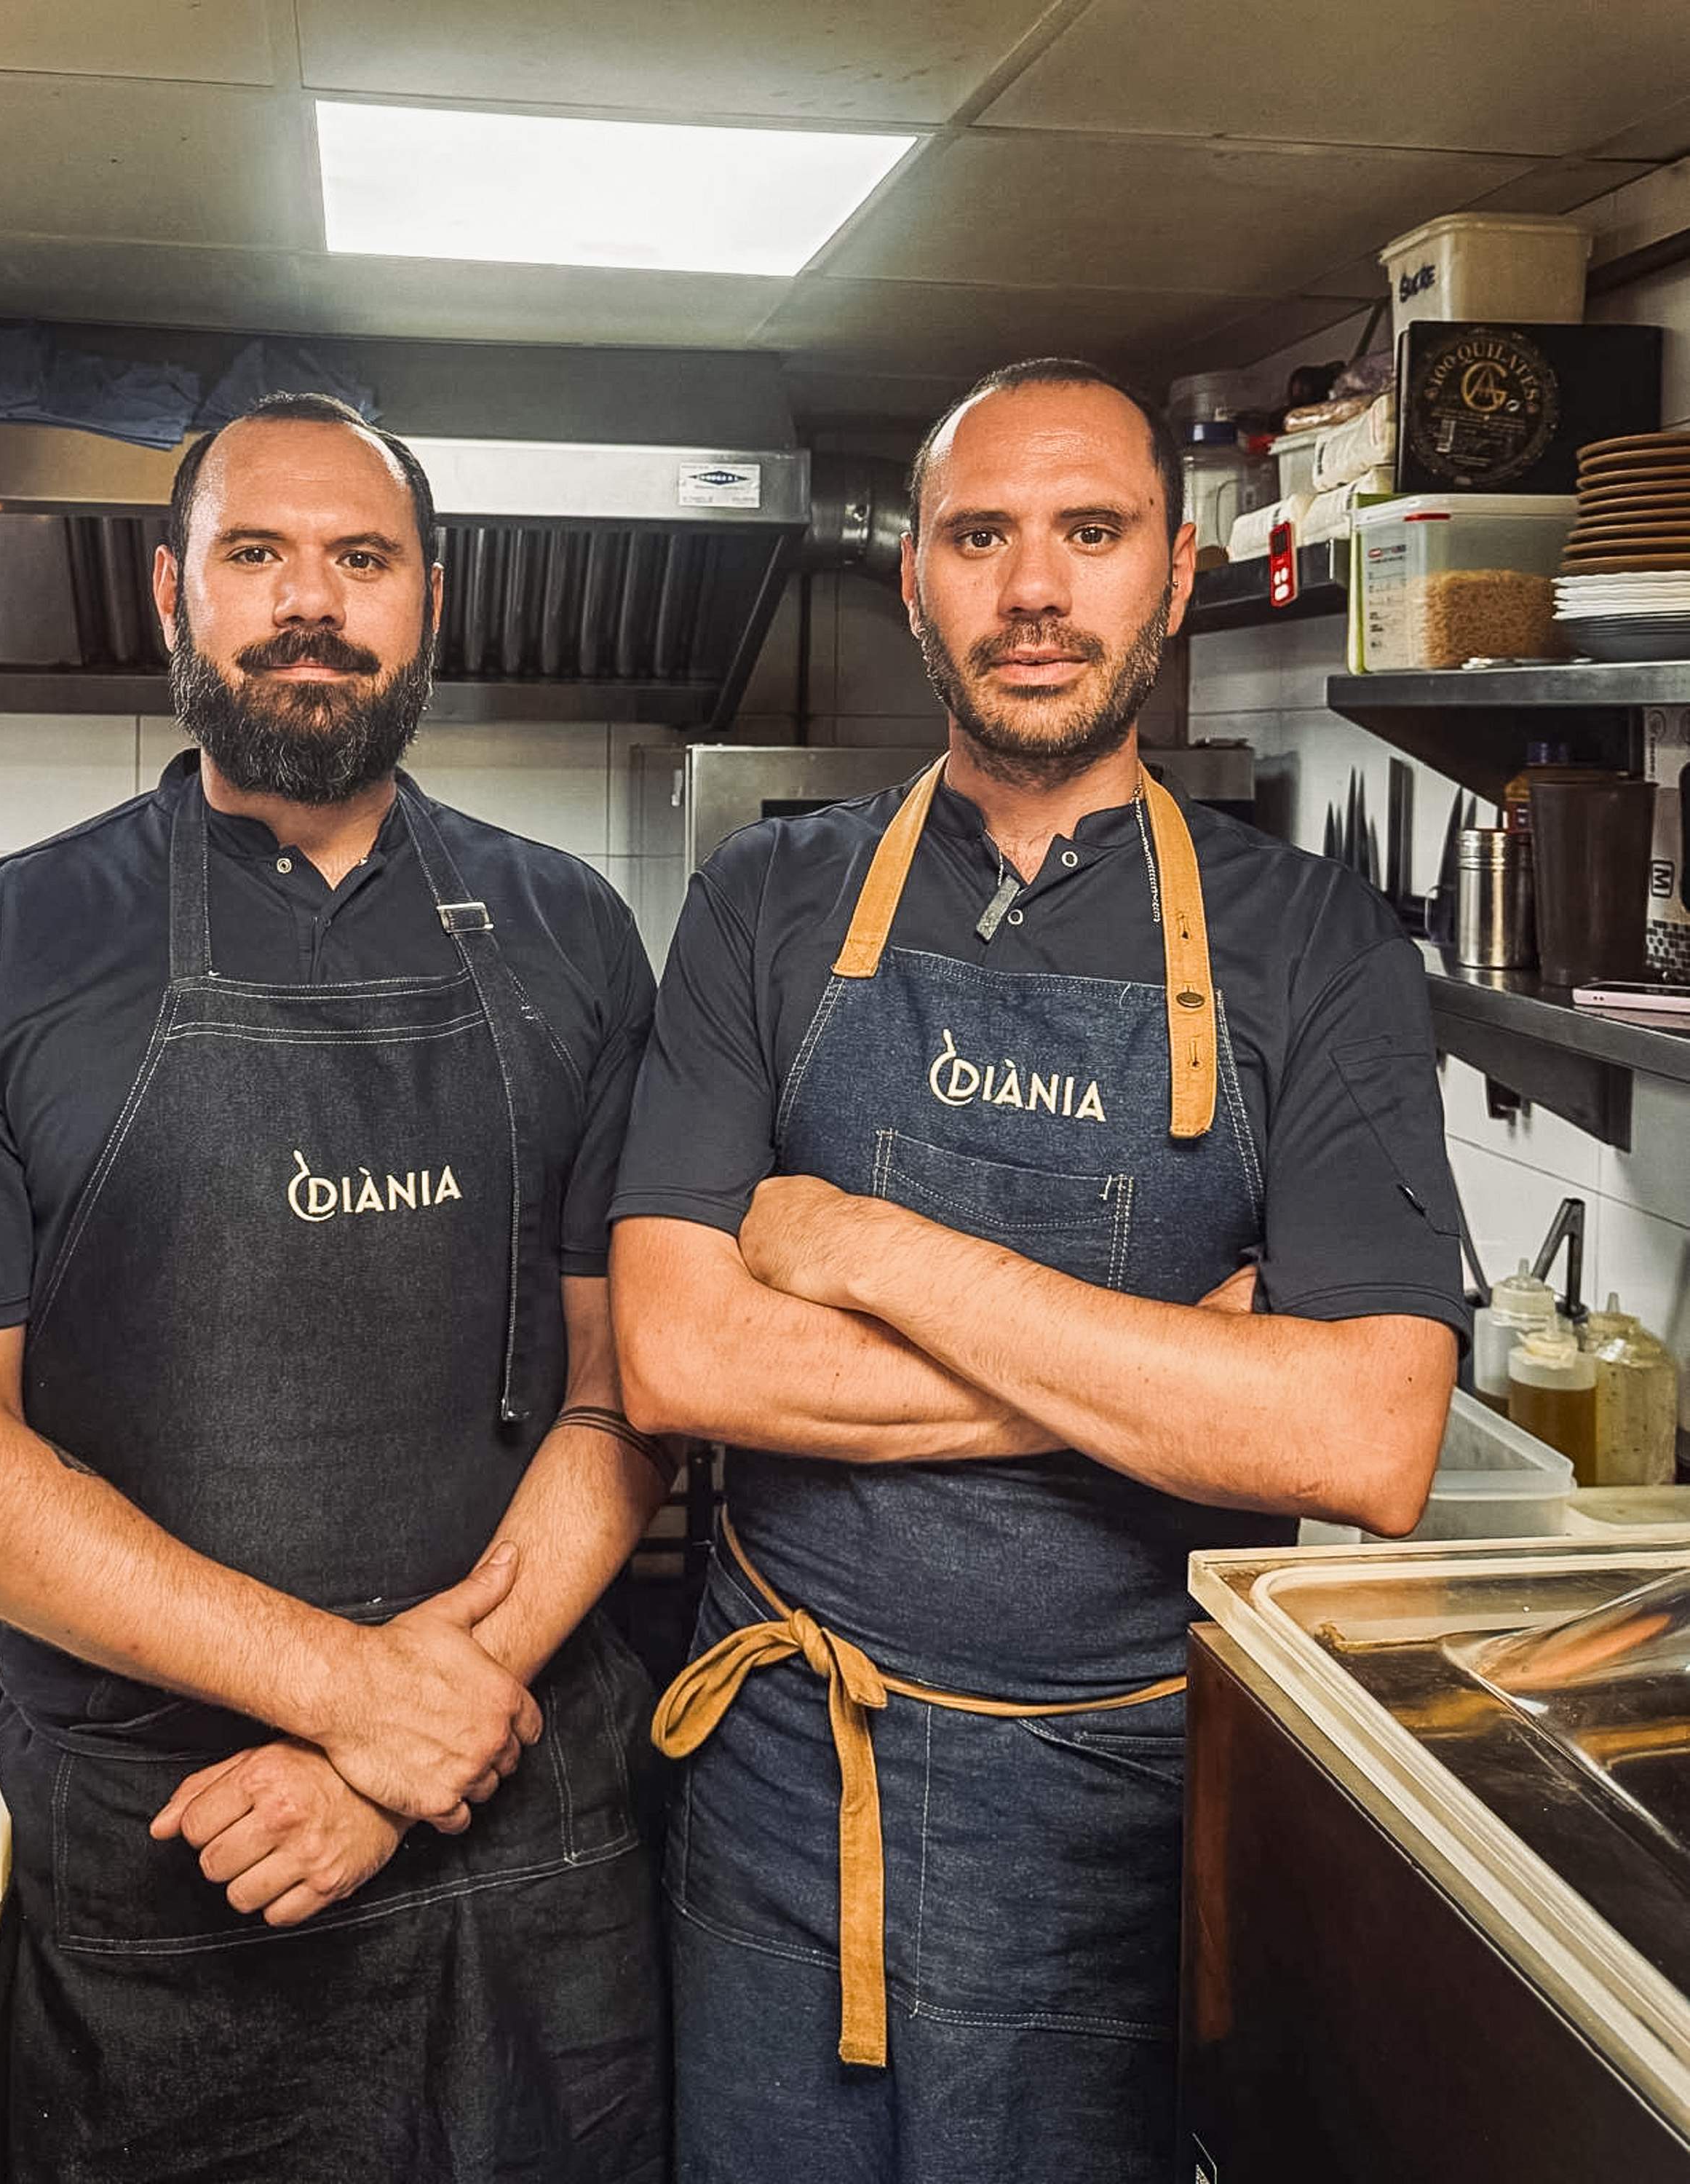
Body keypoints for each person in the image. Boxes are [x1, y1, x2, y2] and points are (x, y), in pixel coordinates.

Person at [608, 358, 1465, 2184]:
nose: (1031, 589)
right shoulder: (767, 904)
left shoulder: (1311, 946)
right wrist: (1176, 1387)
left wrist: (859, 1248)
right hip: (778, 1772)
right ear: (910, 576)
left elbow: (1365, 1440)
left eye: (1090, 533)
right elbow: (676, 1359)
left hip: (1130, 1811)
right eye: (977, 535)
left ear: (1170, 576)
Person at [0, 391, 670, 2183]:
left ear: (427, 604)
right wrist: (349, 1692)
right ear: (172, 593)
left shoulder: (570, 934)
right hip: (172, 1844)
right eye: (257, 554)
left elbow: (624, 1399)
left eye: (360, 558)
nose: (311, 600)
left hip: (523, 1829)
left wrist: (400, 1741)